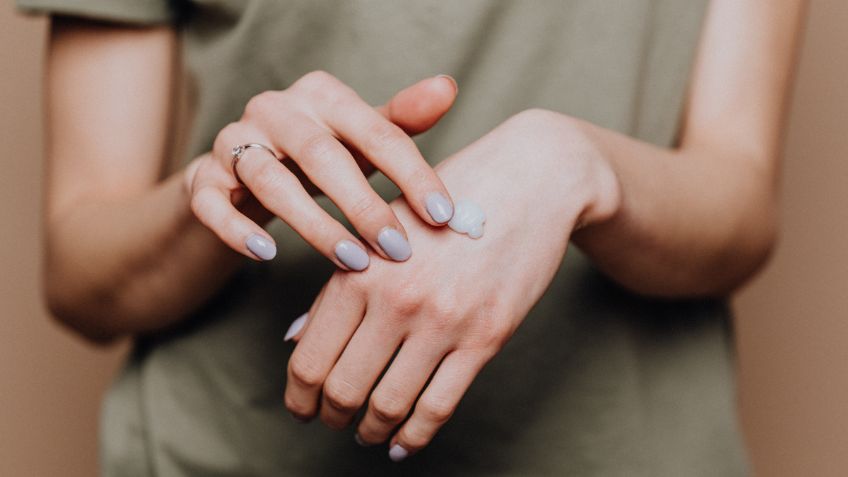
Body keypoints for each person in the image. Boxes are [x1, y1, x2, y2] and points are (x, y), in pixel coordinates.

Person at [19, 0, 805, 475]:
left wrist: (578, 166)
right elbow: (81, 274)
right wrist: (240, 192)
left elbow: (738, 204)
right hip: (226, 447)